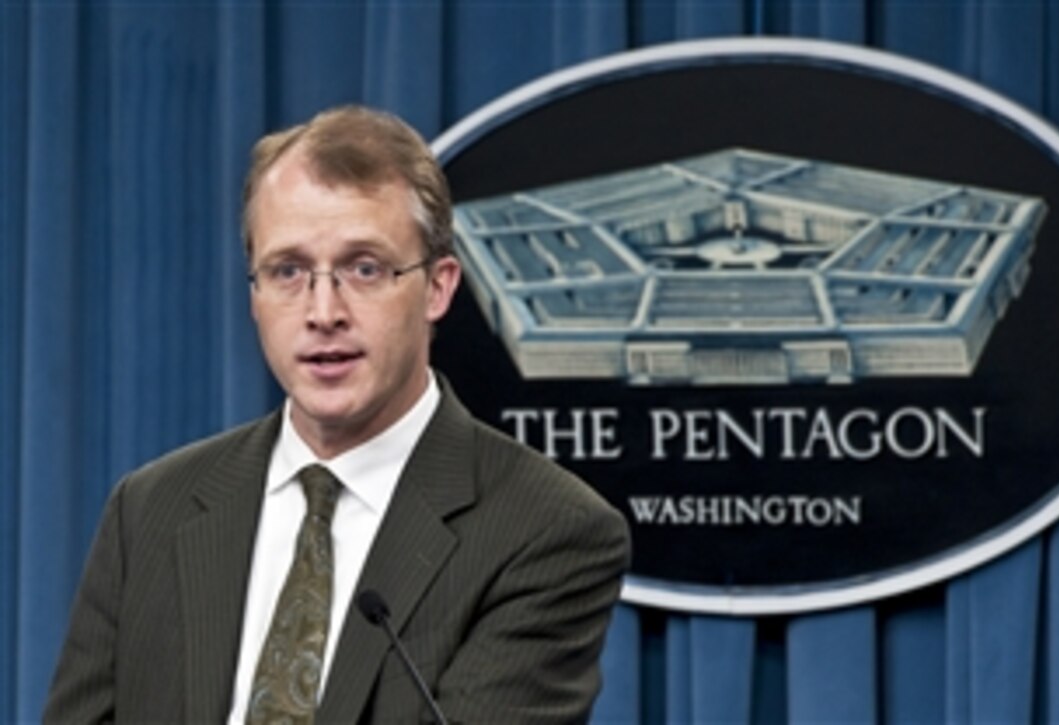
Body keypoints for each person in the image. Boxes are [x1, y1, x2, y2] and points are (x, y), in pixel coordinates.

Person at [43, 105, 630, 724]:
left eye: (364, 268)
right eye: (288, 270)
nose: (323, 311)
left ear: (438, 287)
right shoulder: (150, 511)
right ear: (255, 294)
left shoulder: (547, 530)